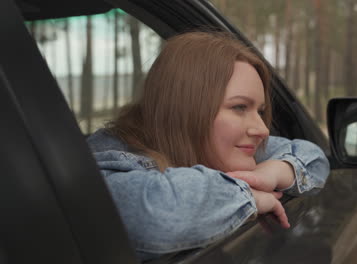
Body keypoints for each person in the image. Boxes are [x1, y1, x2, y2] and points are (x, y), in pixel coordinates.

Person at [86, 31, 330, 261]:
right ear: (187, 110)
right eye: (239, 107)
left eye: (261, 111)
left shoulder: (226, 145)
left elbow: (314, 158)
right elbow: (155, 216)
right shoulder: (110, 160)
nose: (263, 129)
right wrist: (248, 197)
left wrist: (272, 173)